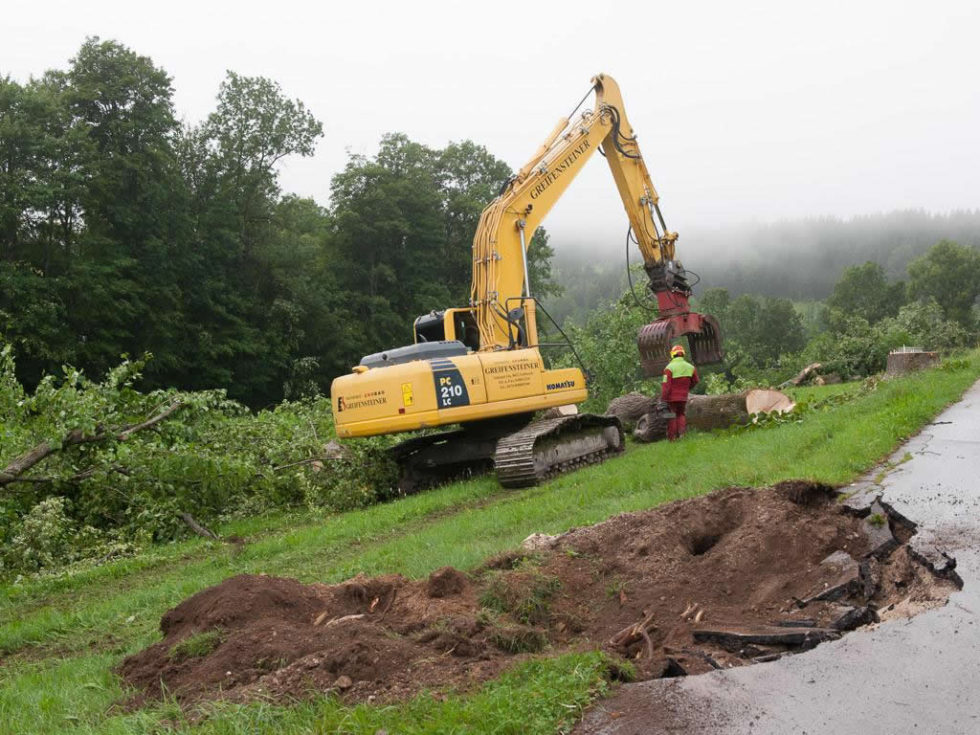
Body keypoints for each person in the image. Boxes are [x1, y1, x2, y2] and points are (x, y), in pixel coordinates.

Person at [661, 344, 699, 441]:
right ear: (683, 354)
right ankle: (682, 434)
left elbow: (666, 386)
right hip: (683, 396)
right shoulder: (691, 367)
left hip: (671, 398)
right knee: (681, 414)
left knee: (671, 415)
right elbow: (696, 381)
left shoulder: (669, 368)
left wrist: (663, 399)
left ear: (672, 355)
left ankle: (672, 438)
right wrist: (687, 388)